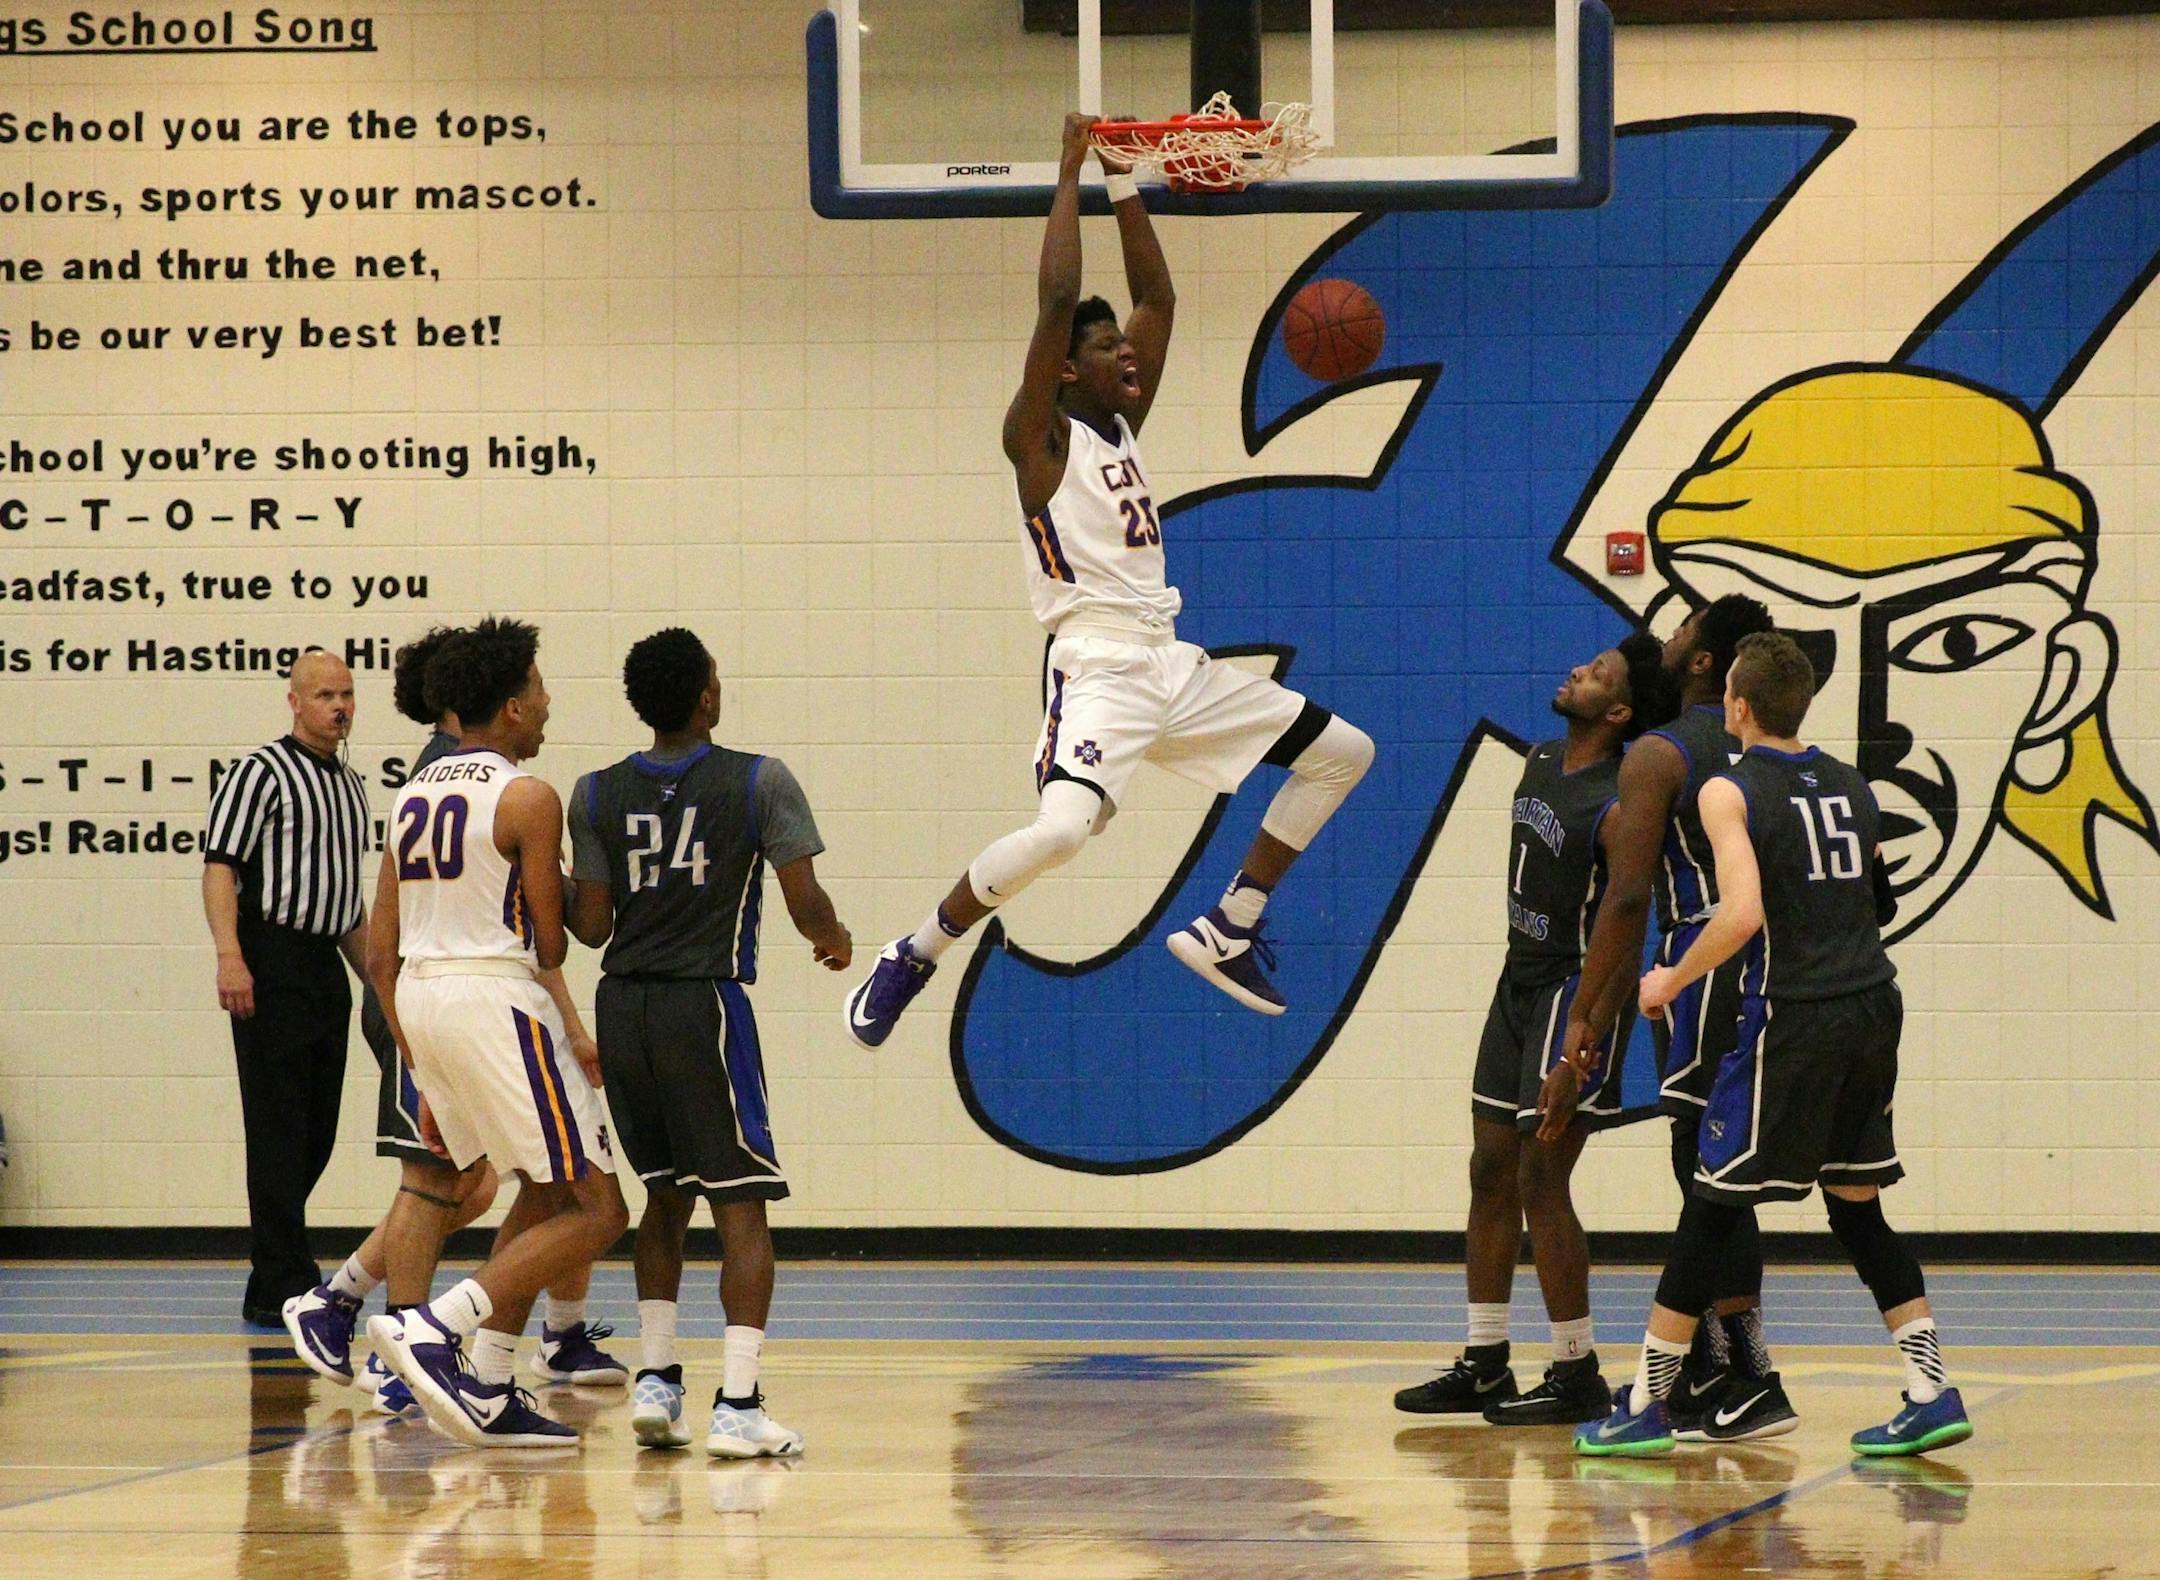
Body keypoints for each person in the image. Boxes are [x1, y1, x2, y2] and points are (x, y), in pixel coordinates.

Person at [844, 112, 1373, 1045]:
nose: (1124, 352)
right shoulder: (1037, 442)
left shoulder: (1117, 426)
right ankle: (916, 951)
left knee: (1346, 753)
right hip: (1096, 669)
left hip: (1171, 665)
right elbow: (1056, 304)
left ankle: (1230, 925)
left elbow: (1158, 298)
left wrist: (1126, 180)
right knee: (1059, 836)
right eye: (1103, 350)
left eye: (1119, 347)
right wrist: (1068, 172)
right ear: (1062, 375)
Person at [1577, 632, 1971, 1460]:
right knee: (1857, 1209)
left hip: (1792, 1015)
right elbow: (1872, 902)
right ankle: (1932, 1389)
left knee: (1713, 1200)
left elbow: (1743, 914)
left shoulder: (1730, 789)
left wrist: (1671, 979)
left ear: (1738, 706)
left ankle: (1646, 1400)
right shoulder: (1854, 784)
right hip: (1873, 1005)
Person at [283, 627, 625, 1404]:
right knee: (597, 1207)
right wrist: (578, 881)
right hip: (491, 997)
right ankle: (433, 1327)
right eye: (538, 692)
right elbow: (551, 941)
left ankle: (489, 1377)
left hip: (420, 1000)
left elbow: (379, 953)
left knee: (534, 1187)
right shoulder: (528, 796)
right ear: (509, 708)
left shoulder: (409, 795)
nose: (546, 706)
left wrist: (422, 1071)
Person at [567, 628, 853, 1457]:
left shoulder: (593, 793)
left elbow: (591, 927)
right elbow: (803, 900)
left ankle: (656, 1383)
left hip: (622, 1006)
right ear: (705, 697)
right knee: (741, 1202)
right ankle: (738, 1403)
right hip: (705, 1006)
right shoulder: (759, 780)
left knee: (663, 1195)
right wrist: (832, 937)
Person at [1395, 636, 1677, 1425]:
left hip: (1573, 985)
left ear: (1619, 711)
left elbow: (1628, 919)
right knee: (1490, 1167)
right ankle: (1485, 1360)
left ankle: (1576, 1369)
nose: (1576, 671)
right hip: (1517, 977)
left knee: (1540, 1179)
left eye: (1596, 674)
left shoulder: (1623, 800)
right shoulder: (1543, 759)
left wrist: (1588, 1030)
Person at [1541, 593, 1789, 1441]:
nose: (1667, 636)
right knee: (1720, 1175)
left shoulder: (1661, 754)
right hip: (1773, 968)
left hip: (1701, 966)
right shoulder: (1765, 748)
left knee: (1705, 1173)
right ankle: (1719, 1365)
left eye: (1682, 630)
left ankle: (1747, 1370)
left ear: (1703, 665)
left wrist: (1587, 1014)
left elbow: (1630, 894)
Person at [202, 651, 373, 1325]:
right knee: (276, 1126)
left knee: (317, 1129)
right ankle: (281, 1277)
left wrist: (380, 983)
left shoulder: (351, 786)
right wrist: (230, 954)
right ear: (296, 702)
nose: (340, 706)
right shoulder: (260, 773)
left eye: (349, 694)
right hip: (270, 957)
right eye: (326, 694)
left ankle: (277, 1263)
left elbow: (345, 903)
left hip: (326, 965)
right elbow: (220, 868)